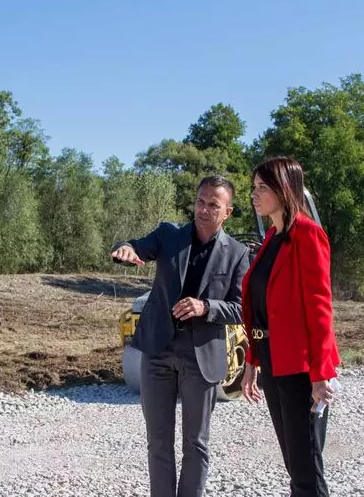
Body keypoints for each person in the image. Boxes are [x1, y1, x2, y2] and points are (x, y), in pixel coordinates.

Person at [110, 175, 251, 497]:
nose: (203, 209)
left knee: (195, 443)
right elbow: (135, 247)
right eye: (200, 201)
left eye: (213, 204)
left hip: (201, 358)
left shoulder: (238, 253)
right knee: (158, 441)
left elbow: (242, 309)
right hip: (158, 351)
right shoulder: (168, 235)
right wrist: (126, 250)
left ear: (227, 212)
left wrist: (206, 307)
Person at [240, 156, 341, 497]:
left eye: (263, 187)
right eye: (254, 187)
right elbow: (261, 308)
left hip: (299, 367)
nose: (254, 194)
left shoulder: (308, 235)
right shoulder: (272, 237)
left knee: (306, 470)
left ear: (285, 189)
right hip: (272, 362)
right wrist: (253, 361)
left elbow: (319, 309)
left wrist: (321, 372)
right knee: (294, 464)